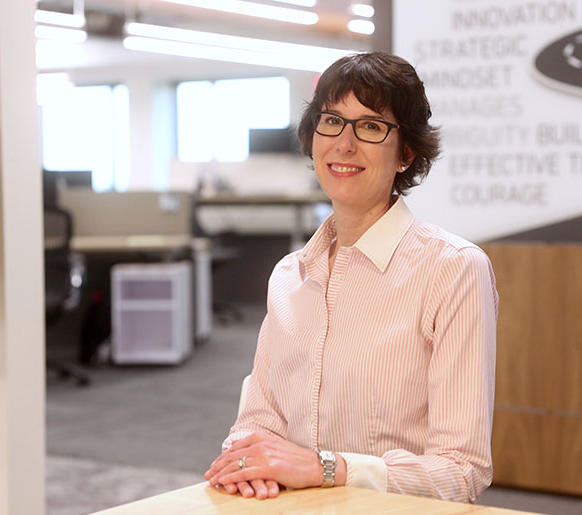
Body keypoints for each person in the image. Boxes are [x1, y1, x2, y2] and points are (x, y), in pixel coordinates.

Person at [204, 51, 498, 504]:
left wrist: (328, 469)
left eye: (371, 126)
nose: (344, 143)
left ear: (406, 153)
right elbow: (255, 425)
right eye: (332, 121)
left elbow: (462, 471)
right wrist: (249, 464)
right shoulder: (289, 275)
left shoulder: (453, 269)